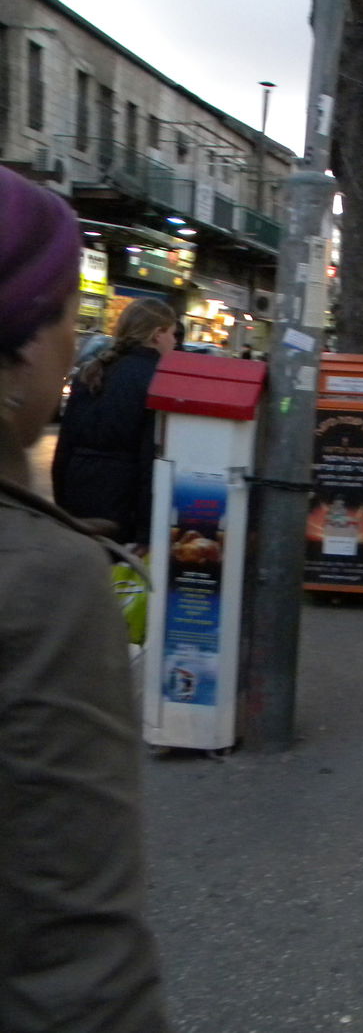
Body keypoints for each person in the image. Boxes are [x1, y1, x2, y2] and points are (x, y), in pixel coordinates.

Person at [0, 166, 169, 1031]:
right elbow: (79, 949)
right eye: (65, 315)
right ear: (25, 339)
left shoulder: (96, 375)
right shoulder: (43, 582)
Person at [52, 297, 177, 547]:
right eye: (173, 334)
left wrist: (62, 507)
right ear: (157, 334)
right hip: (122, 502)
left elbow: (63, 449)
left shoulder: (89, 372)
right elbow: (148, 463)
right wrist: (146, 532)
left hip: (77, 494)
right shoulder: (157, 381)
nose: (175, 342)